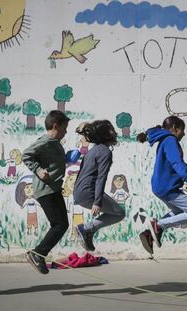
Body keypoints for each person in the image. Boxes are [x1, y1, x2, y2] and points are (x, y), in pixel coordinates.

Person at [137, 116, 187, 255]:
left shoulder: (165, 140)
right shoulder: (170, 140)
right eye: (182, 130)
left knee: (179, 211)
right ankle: (158, 225)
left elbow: (177, 165)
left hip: (161, 186)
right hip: (167, 186)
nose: (184, 134)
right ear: (174, 127)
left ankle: (149, 232)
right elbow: (176, 163)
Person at [22, 110, 70, 274]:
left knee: (62, 224)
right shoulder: (46, 140)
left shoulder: (54, 142)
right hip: (46, 190)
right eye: (64, 128)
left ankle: (38, 253)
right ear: (55, 126)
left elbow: (52, 162)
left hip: (53, 188)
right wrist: (38, 170)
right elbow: (26, 155)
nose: (66, 132)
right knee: (59, 224)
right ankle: (37, 254)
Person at [73, 120, 125, 252]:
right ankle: (87, 228)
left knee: (117, 212)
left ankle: (88, 231)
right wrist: (97, 202)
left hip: (79, 192)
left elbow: (81, 173)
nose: (114, 133)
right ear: (105, 135)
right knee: (119, 213)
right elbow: (101, 177)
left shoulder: (93, 151)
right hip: (88, 192)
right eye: (111, 131)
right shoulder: (105, 152)